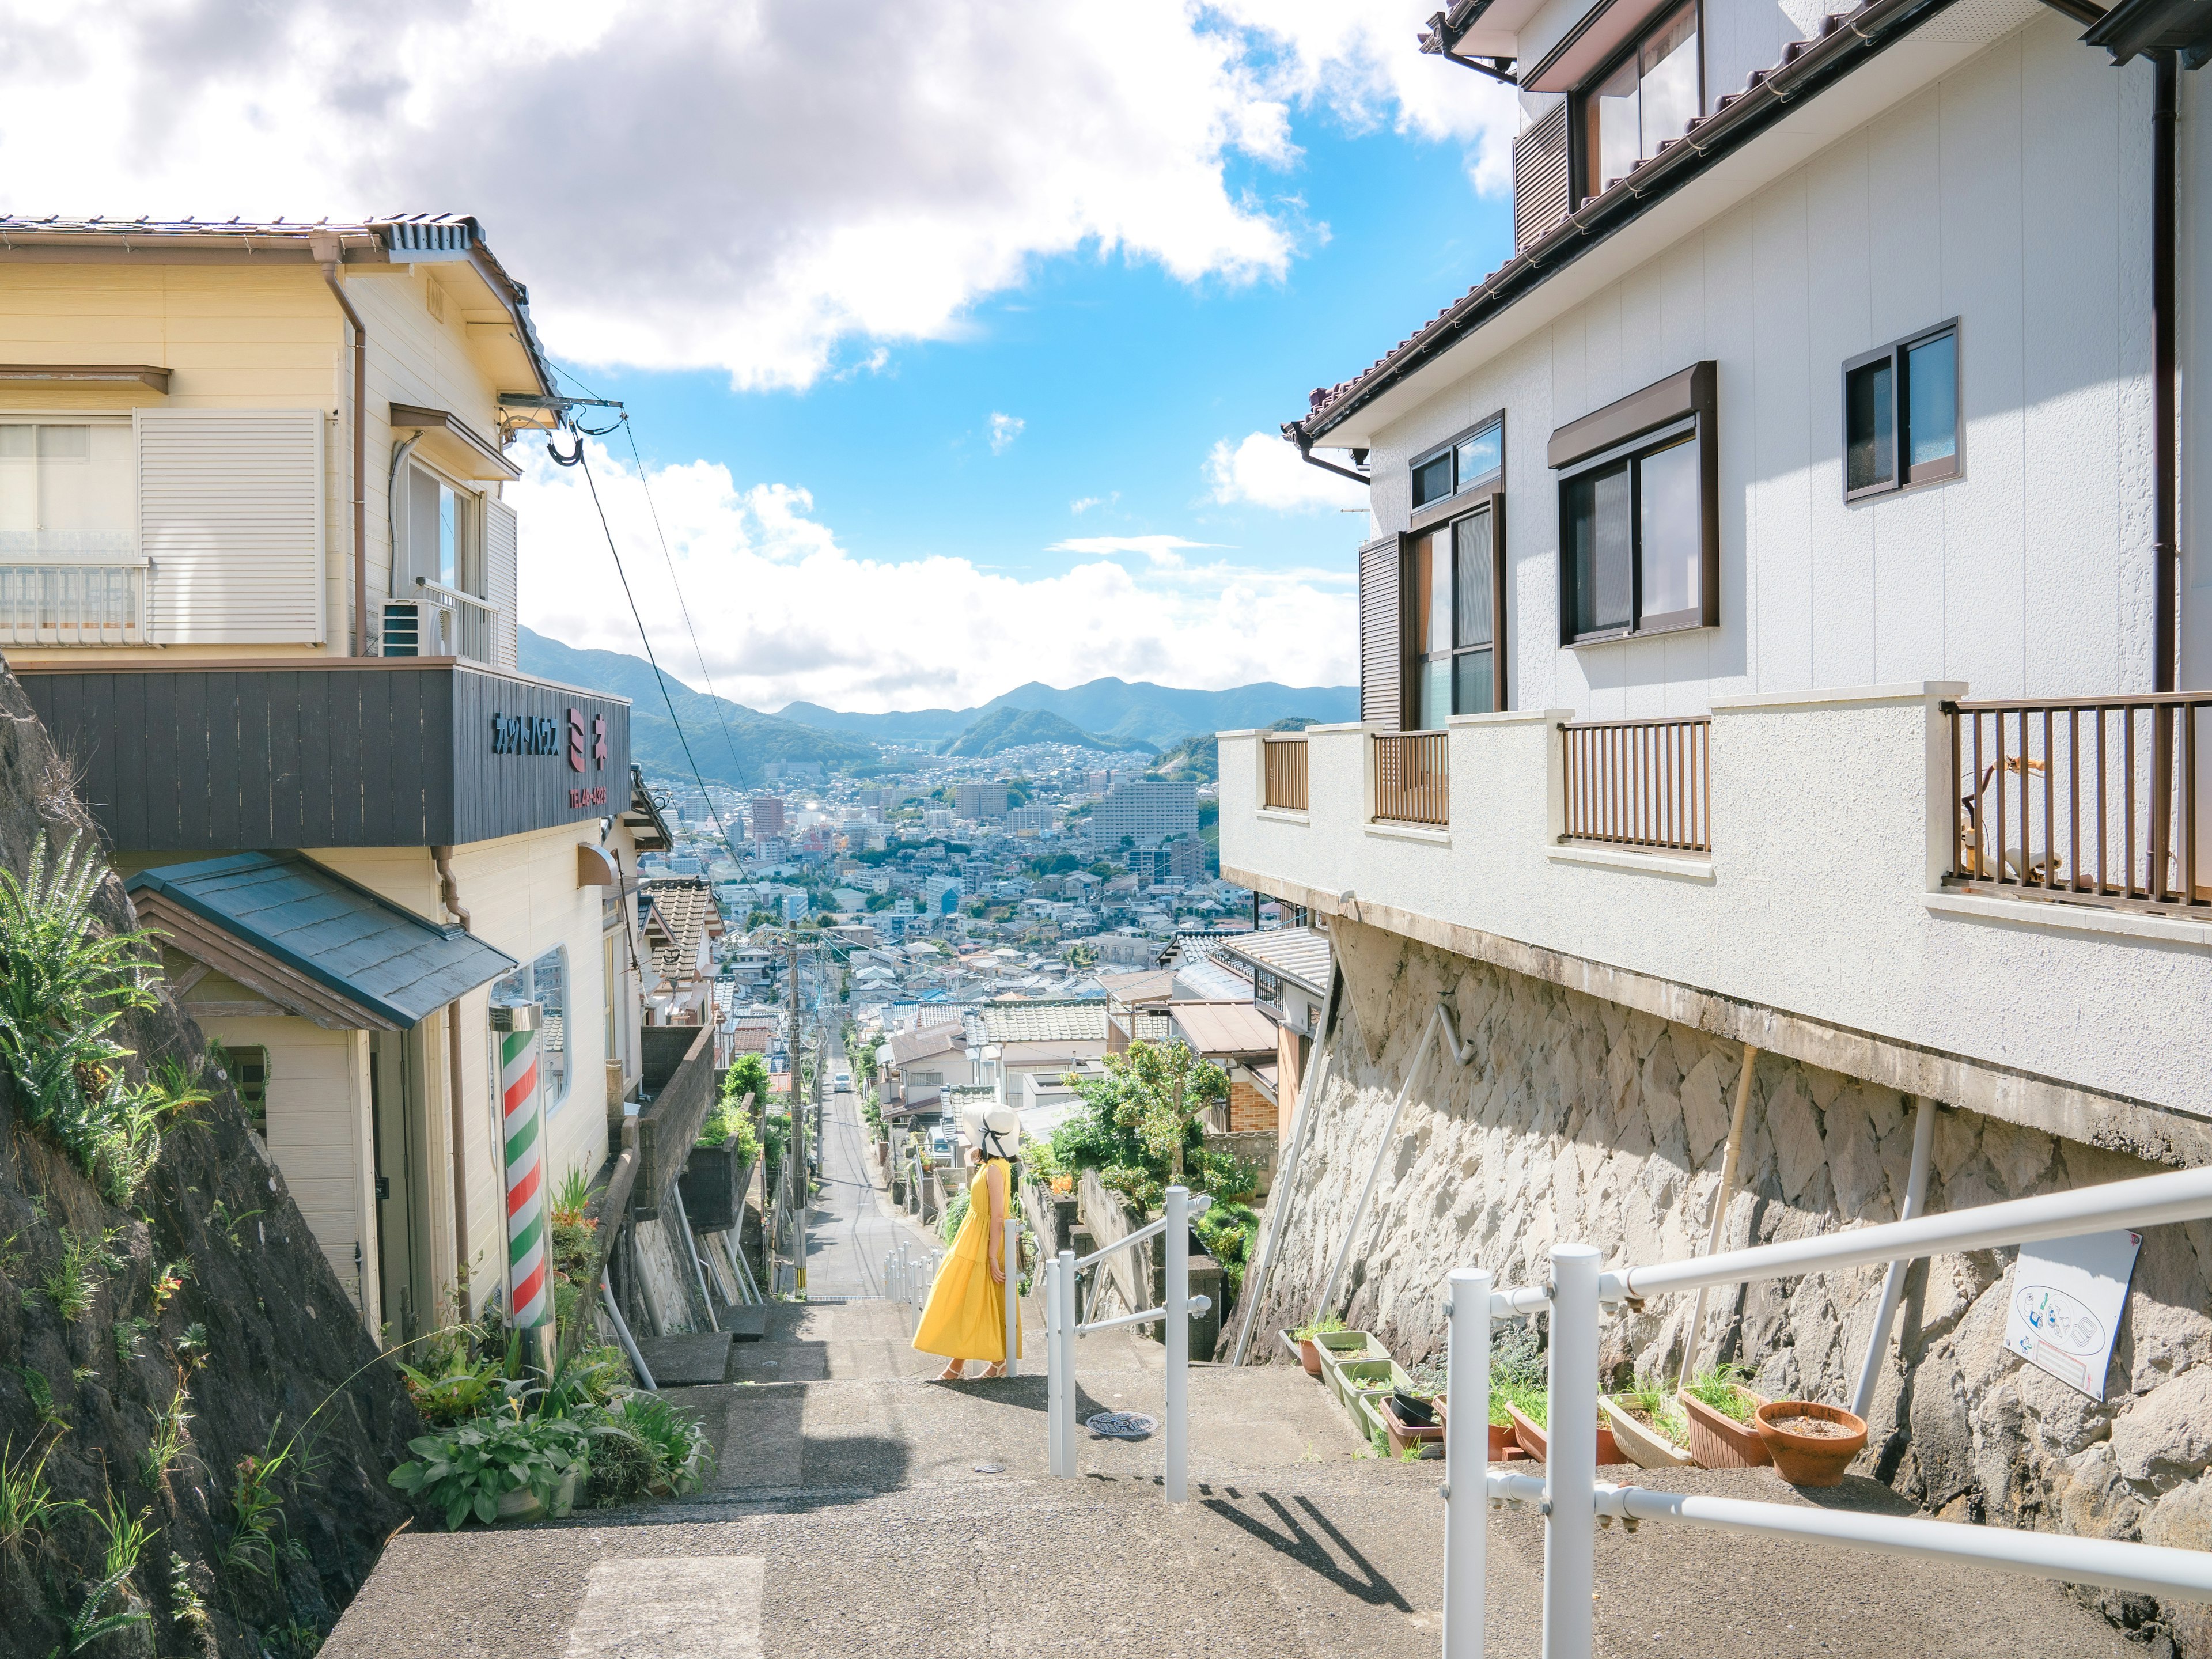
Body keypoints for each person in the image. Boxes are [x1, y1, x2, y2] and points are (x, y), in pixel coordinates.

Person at [913, 1105, 1022, 1380]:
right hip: (976, 1235)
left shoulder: (995, 1170)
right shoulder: (994, 1165)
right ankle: (981, 1363)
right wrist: (975, 1160)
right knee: (972, 1297)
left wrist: (991, 1255)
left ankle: (962, 1366)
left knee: (969, 1298)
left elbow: (997, 1216)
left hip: (984, 1239)